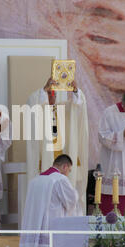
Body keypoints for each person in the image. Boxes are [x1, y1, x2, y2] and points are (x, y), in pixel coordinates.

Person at [26, 77, 89, 217]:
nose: (52, 97)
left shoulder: (63, 108)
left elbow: (78, 105)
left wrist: (75, 90)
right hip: (46, 162)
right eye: (49, 93)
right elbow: (32, 103)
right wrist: (44, 90)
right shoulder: (39, 108)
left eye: (54, 94)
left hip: (63, 161)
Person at [16, 154, 82, 247]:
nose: (68, 174)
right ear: (65, 167)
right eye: (69, 171)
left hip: (33, 232)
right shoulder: (59, 179)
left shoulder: (35, 180)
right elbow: (72, 201)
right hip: (49, 230)